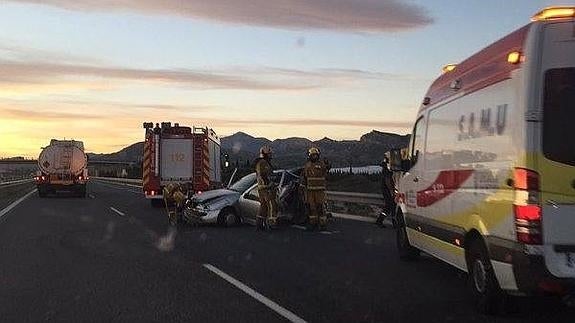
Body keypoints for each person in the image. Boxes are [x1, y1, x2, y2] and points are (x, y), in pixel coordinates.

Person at [301, 147, 330, 231]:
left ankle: (322, 224)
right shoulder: (307, 165)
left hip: (320, 191)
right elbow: (304, 177)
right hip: (310, 190)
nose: (314, 157)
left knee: (320, 207)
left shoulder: (322, 164)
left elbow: (326, 172)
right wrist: (302, 186)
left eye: (315, 155)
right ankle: (313, 223)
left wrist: (328, 166)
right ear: (309, 156)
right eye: (312, 155)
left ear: (318, 155)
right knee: (311, 208)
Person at [254, 145, 278, 231]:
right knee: (272, 205)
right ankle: (272, 224)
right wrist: (270, 183)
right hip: (266, 188)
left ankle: (259, 224)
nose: (271, 155)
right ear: (265, 154)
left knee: (263, 207)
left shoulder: (261, 162)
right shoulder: (263, 163)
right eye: (269, 154)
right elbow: (263, 175)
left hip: (262, 188)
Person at [376, 158, 397, 227]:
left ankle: (381, 220)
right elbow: (388, 182)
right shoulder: (387, 172)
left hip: (385, 190)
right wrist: (392, 191)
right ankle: (381, 221)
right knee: (391, 206)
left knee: (390, 207)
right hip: (388, 191)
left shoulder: (384, 171)